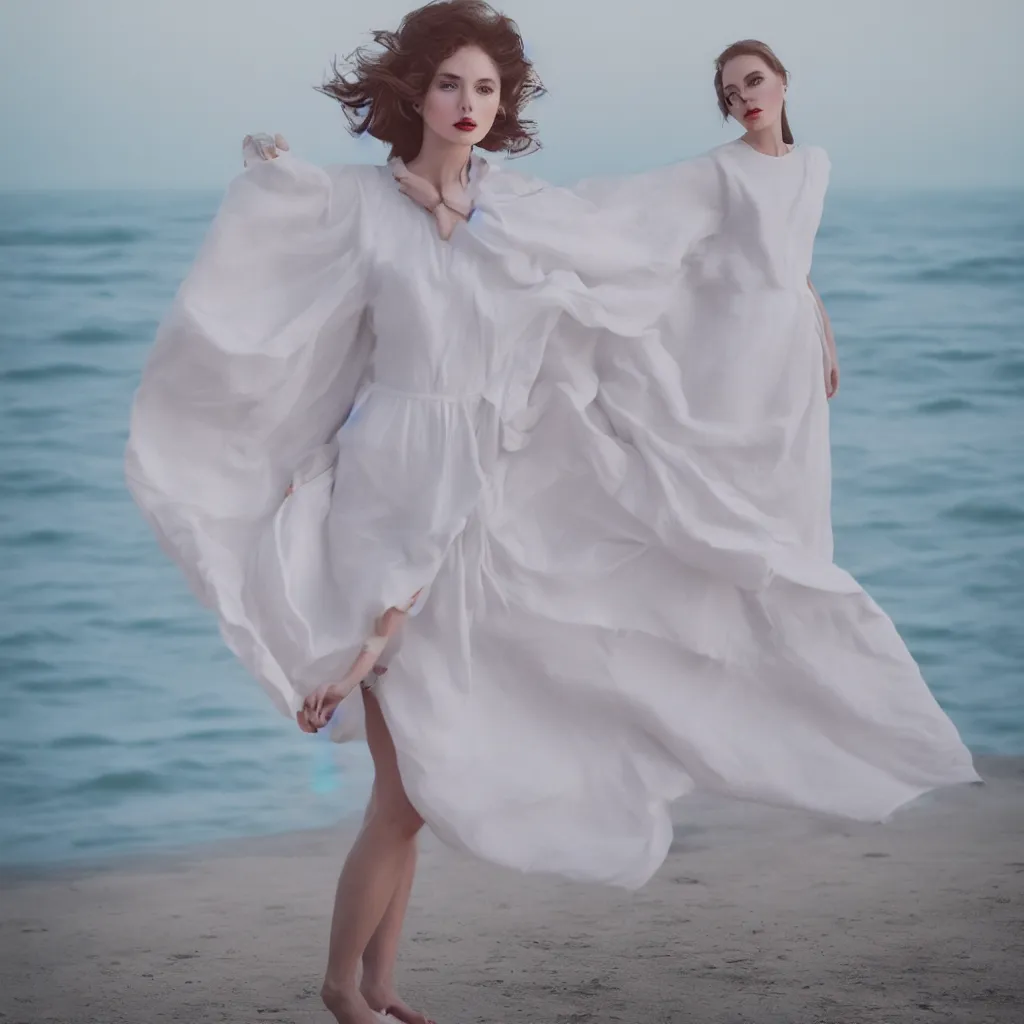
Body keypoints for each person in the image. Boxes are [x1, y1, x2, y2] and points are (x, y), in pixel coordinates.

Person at [125, 4, 980, 1021]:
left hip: (481, 489)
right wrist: (270, 181)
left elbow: (649, 267)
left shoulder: (517, 208)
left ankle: (378, 982)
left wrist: (801, 314)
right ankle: (341, 989)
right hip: (391, 490)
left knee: (415, 788)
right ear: (413, 92)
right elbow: (279, 282)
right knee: (405, 792)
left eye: (486, 88)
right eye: (450, 84)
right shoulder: (360, 205)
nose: (468, 104)